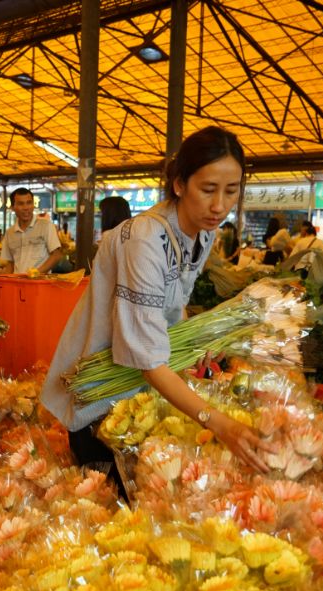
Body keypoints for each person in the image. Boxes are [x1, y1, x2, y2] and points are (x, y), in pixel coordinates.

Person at [41, 126, 271, 496]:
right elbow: (148, 361)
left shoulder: (202, 229)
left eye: (231, 191)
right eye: (208, 189)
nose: (219, 206)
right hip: (103, 405)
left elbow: (173, 304)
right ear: (179, 184)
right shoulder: (146, 239)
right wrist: (220, 424)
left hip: (142, 394)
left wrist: (191, 348)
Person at [0, 188, 63, 274]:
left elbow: (56, 255)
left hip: (39, 284)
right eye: (21, 204)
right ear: (12, 207)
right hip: (18, 284)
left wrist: (36, 273)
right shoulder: (9, 233)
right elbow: (10, 264)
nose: (26, 208)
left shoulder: (46, 226)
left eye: (29, 203)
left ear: (33, 205)